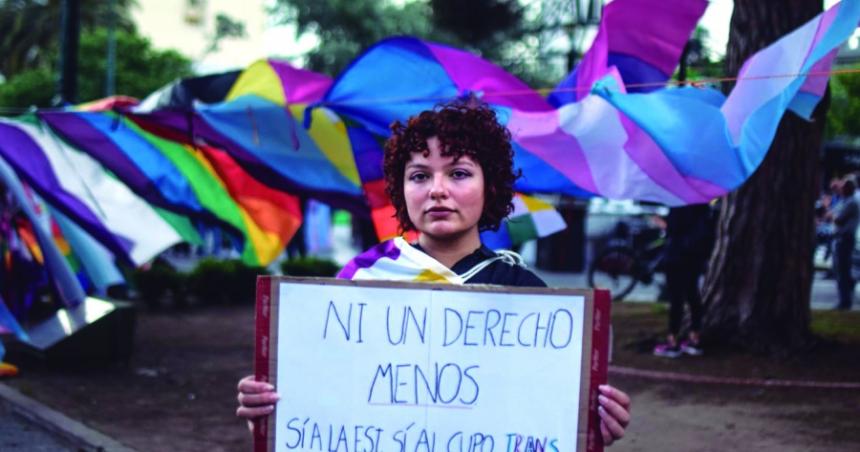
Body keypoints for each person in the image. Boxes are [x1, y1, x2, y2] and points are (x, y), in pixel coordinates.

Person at [236, 101, 631, 445]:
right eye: (420, 175)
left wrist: (587, 428)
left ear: (490, 187)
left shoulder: (529, 299)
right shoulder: (359, 280)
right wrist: (272, 414)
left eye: (458, 173)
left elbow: (542, 416)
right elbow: (325, 397)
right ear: (402, 190)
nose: (437, 189)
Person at [653, 203, 713, 358]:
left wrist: (662, 223)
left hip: (676, 255)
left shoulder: (678, 203)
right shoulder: (702, 206)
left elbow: (673, 228)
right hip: (694, 257)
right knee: (693, 295)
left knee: (676, 298)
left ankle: (672, 341)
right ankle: (695, 337)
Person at [829, 176, 859, 310]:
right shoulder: (844, 201)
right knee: (839, 271)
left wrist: (832, 216)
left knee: (843, 271)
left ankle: (845, 301)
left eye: (843, 187)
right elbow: (831, 213)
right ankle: (844, 298)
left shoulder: (851, 203)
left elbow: (837, 219)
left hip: (845, 239)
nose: (841, 189)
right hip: (839, 238)